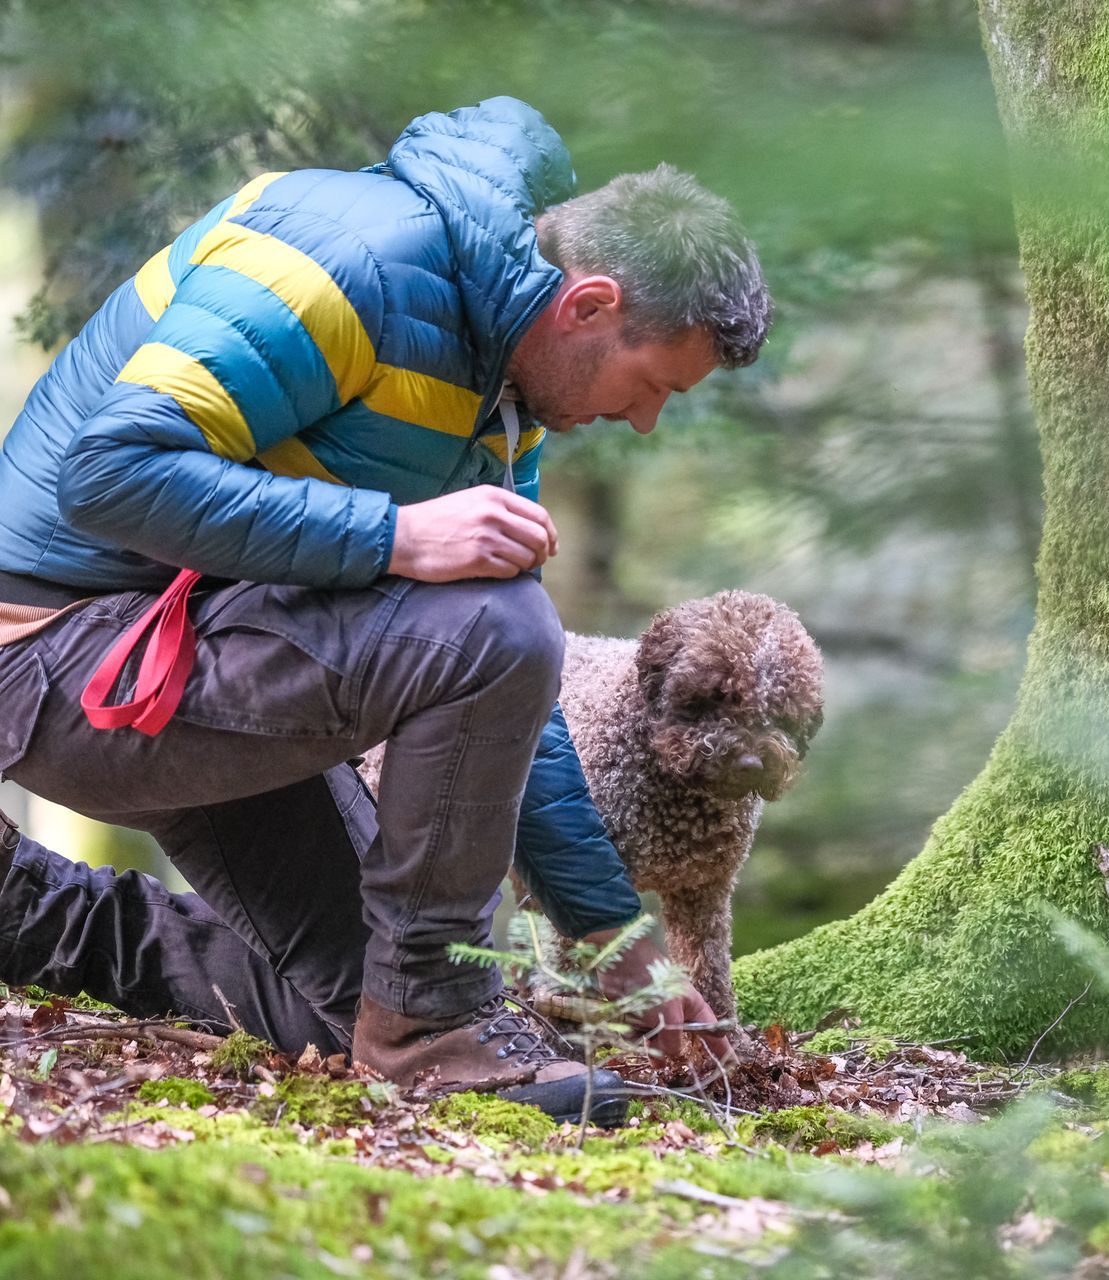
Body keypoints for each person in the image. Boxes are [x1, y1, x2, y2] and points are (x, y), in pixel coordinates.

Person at [0, 97, 768, 1123]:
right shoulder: (349, 260)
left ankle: (23, 915)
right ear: (587, 305)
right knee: (496, 626)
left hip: (206, 663)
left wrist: (612, 937)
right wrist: (397, 536)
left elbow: (514, 695)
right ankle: (431, 1029)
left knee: (349, 1008)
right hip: (56, 653)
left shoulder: (501, 394)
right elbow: (112, 469)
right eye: (649, 382)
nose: (642, 419)